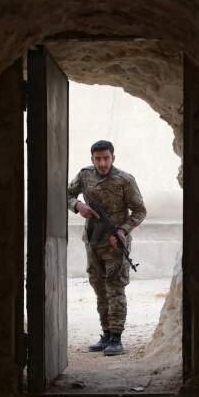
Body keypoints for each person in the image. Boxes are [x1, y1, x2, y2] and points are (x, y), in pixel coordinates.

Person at [67, 140, 147, 356]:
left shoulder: (125, 180)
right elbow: (66, 194)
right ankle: (106, 334)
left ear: (113, 158)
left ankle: (116, 338)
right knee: (99, 288)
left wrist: (122, 230)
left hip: (115, 242)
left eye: (106, 158)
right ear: (92, 159)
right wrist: (78, 206)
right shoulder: (84, 175)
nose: (102, 163)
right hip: (93, 241)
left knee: (115, 287)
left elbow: (139, 211)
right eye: (98, 159)